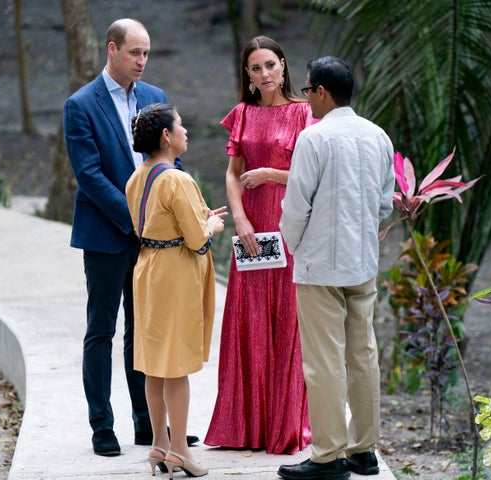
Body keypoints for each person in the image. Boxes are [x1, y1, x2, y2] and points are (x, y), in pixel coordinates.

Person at [63, 18, 197, 456]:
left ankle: (149, 426)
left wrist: (173, 220)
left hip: (153, 241)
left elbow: (170, 166)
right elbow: (89, 176)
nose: (142, 61)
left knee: (145, 332)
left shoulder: (156, 99)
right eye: (135, 53)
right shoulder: (80, 105)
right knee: (101, 330)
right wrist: (138, 218)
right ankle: (102, 426)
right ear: (111, 49)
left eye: (147, 53)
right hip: (106, 234)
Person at [278, 56, 395, 480]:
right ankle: (364, 451)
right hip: (362, 264)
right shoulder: (378, 136)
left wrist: (294, 245)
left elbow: (295, 207)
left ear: (322, 92)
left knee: (324, 361)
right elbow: (385, 204)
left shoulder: (314, 138)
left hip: (321, 267)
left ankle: (328, 456)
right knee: (363, 355)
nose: (306, 97)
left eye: (307, 90)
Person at [204, 35, 315, 455]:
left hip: (289, 227)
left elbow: (312, 175)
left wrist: (270, 173)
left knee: (287, 321)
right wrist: (242, 219)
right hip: (252, 230)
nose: (265, 74)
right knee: (248, 321)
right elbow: (234, 174)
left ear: (284, 66)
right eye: (256, 68)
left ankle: (284, 427)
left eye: (270, 65)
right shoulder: (244, 114)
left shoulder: (305, 113)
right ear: (247, 76)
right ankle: (243, 426)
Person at [126, 103, 227, 477]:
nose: (185, 131)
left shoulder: (137, 177)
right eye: (181, 126)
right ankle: (181, 451)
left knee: (155, 363)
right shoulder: (177, 179)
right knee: (177, 364)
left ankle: (159, 444)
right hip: (176, 274)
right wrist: (212, 227)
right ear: (166, 136)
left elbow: (152, 224)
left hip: (149, 267)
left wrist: (198, 222)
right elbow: (197, 240)